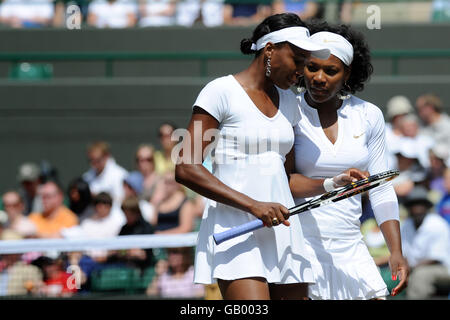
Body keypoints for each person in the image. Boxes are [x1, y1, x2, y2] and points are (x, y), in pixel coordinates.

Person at [174, 13, 365, 300]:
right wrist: (253, 206)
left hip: (284, 231)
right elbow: (186, 167)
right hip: (237, 229)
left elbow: (286, 179)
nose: (303, 71)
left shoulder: (289, 101)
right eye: (298, 59)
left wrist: (331, 183)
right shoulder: (220, 91)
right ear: (270, 50)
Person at [292, 23, 409, 299]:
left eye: (331, 71)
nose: (319, 78)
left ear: (347, 75)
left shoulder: (369, 115)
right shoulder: (288, 110)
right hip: (300, 246)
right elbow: (285, 181)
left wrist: (395, 251)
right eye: (312, 68)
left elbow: (381, 186)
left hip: (351, 245)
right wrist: (331, 183)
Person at [400, 186, 450, 299]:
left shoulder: (437, 224)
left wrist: (411, 268)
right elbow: (404, 253)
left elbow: (435, 258)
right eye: (414, 205)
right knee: (390, 276)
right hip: (414, 268)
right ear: (409, 208)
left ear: (426, 207)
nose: (417, 208)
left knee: (421, 275)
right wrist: (405, 267)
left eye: (420, 204)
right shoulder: (406, 225)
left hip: (443, 269)